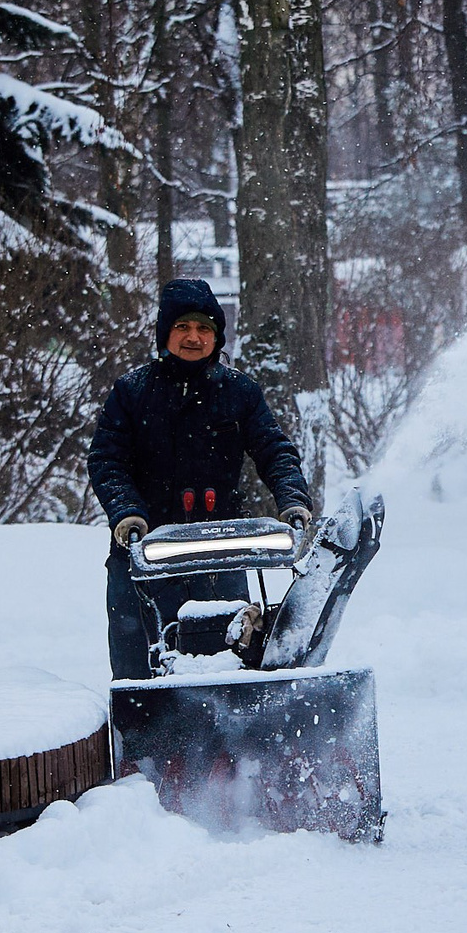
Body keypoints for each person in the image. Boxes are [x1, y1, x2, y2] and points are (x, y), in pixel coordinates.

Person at [88, 278, 315, 681]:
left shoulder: (240, 392)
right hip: (145, 551)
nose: (193, 337)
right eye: (182, 328)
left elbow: (274, 450)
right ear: (165, 333)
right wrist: (127, 513)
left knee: (229, 660)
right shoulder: (131, 392)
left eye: (204, 329)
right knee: (138, 669)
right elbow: (107, 461)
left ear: (217, 337)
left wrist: (292, 499)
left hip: (220, 549)